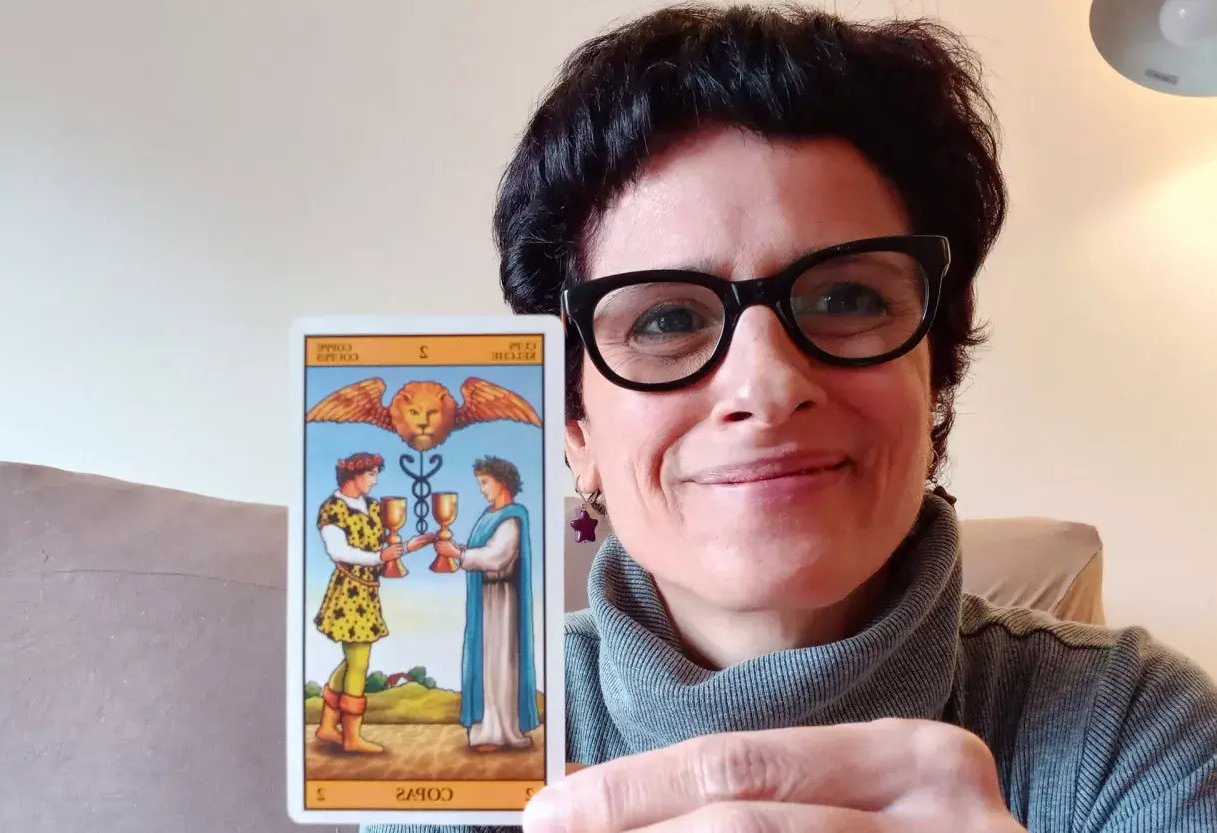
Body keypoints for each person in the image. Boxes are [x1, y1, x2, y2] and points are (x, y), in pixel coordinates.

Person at [369, 4, 1217, 832]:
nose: (769, 385)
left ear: (935, 376)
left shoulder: (1141, 734)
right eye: (666, 319)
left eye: (848, 298)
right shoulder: (445, 746)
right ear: (576, 430)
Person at [313, 452, 432, 754]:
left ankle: (328, 726)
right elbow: (339, 551)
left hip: (367, 593)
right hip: (347, 593)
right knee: (359, 663)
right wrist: (380, 556)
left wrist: (408, 547)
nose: (376, 481)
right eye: (372, 474)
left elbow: (385, 548)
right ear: (353, 476)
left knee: (352, 660)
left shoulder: (374, 507)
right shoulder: (332, 509)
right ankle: (351, 737)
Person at [433, 456, 540, 752]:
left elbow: (497, 557)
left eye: (484, 482)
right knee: (485, 665)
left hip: (502, 603)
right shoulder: (490, 515)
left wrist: (457, 554)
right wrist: (457, 551)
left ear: (501, 482)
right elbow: (481, 552)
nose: (481, 489)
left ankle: (501, 731)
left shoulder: (511, 518)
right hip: (486, 601)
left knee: (500, 665)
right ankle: (485, 731)